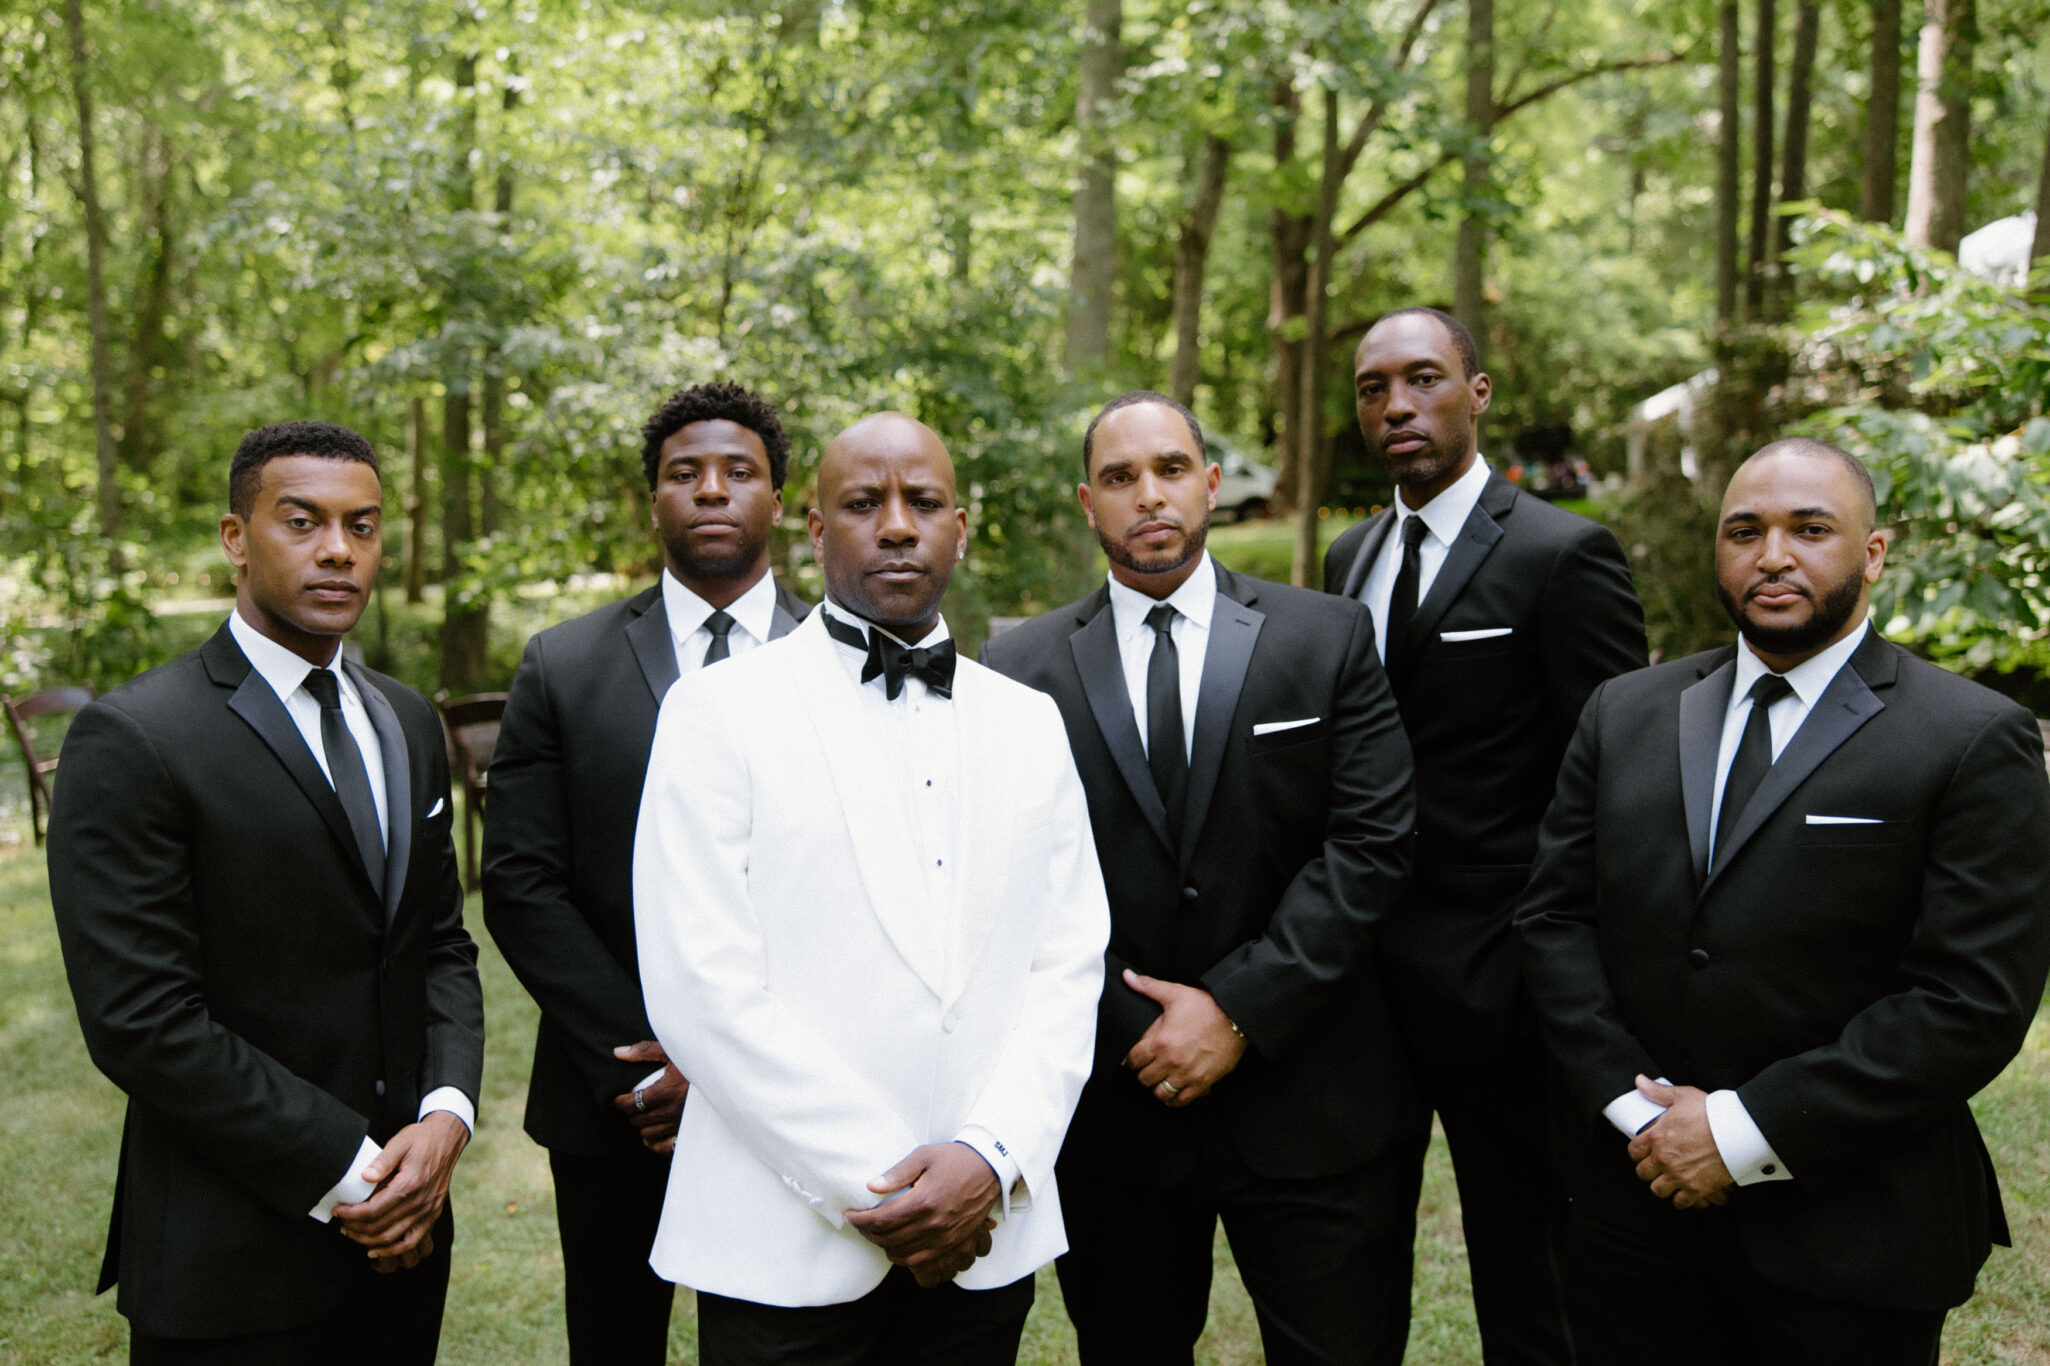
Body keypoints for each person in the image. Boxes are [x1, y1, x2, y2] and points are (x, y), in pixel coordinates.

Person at [1514, 438, 2050, 1364]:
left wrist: (1736, 1131)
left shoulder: (1970, 738)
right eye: (1745, 531)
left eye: (1810, 530)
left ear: (1873, 553)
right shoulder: (1625, 712)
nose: (1773, 556)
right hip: (1633, 1220)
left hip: (1847, 1231)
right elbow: (1554, 921)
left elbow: (1970, 1001)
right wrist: (1642, 1116)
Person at [631, 412, 1109, 1365]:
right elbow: (703, 990)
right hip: (785, 1241)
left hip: (984, 1232)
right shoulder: (716, 713)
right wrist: (884, 1187)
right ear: (814, 531)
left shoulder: (1030, 723)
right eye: (863, 503)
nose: (897, 526)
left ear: (960, 529)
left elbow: (1068, 963)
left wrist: (991, 1155)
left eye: (924, 503)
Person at [982, 391, 1419, 1365]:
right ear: (1086, 502)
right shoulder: (1016, 670)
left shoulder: (1329, 636)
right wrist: (1132, 1026)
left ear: (1211, 483)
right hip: (1116, 1110)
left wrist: (1238, 1010)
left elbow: (1371, 844)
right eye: (1121, 477)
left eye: (1171, 469)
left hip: (1311, 1096)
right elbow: (1005, 886)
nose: (1150, 495)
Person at [47, 421, 485, 1365]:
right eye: (303, 521)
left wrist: (447, 1116)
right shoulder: (137, 738)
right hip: (230, 1259)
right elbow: (141, 1019)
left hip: (407, 1244)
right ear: (235, 537)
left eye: (362, 526)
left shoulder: (406, 720)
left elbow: (438, 943)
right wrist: (352, 1170)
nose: (338, 549)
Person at [1322, 306, 1647, 1361]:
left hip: (1503, 992)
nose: (1397, 405)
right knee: (1346, 1268)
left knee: (1528, 1274)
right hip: (1361, 990)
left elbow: (1616, 782)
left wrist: (1556, 967)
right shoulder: (1346, 555)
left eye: (1422, 378)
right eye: (1375, 388)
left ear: (1478, 393)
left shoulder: (1564, 553)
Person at [483, 381, 810, 1363]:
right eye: (684, 473)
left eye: (738, 472)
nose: (712, 489)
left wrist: (733, 1062)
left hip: (796, 1090)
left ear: (778, 502)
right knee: (616, 1342)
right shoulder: (562, 665)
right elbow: (522, 883)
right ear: (653, 499)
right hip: (616, 1099)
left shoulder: (840, 657)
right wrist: (651, 1058)